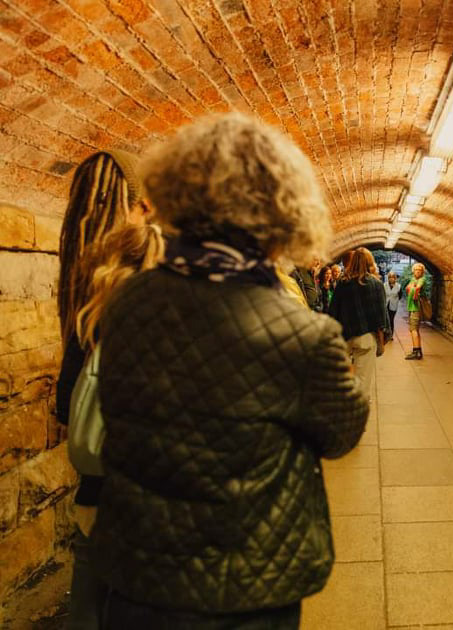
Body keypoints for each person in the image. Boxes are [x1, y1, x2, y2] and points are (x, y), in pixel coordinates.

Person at [90, 113, 370, 629]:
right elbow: (342, 434)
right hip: (246, 586)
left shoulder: (129, 300)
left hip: (137, 572)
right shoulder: (303, 334)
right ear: (284, 212)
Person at [55, 149, 150, 630]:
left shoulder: (79, 280)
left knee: (89, 598)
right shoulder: (141, 281)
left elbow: (66, 402)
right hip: (147, 493)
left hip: (96, 491)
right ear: (133, 206)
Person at [328, 249, 388, 401]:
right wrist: (382, 341)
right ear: (369, 263)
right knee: (363, 378)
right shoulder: (376, 284)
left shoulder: (342, 283)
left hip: (344, 336)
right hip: (366, 337)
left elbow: (333, 311)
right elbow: (381, 317)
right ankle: (358, 405)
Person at [404, 262, 426, 360]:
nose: (417, 272)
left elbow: (417, 289)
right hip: (412, 307)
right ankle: (418, 351)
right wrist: (412, 287)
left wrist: (413, 288)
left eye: (420, 270)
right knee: (414, 329)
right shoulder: (413, 279)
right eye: (416, 270)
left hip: (416, 308)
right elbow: (407, 289)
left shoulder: (422, 279)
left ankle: (416, 352)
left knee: (413, 329)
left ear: (422, 272)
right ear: (413, 271)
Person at [384, 271, 401, 343]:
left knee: (391, 320)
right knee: (385, 320)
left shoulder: (398, 286)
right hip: (385, 305)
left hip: (393, 305)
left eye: (393, 277)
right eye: (390, 277)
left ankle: (391, 335)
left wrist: (395, 299)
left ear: (395, 278)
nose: (391, 279)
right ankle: (385, 334)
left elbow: (400, 296)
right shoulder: (385, 285)